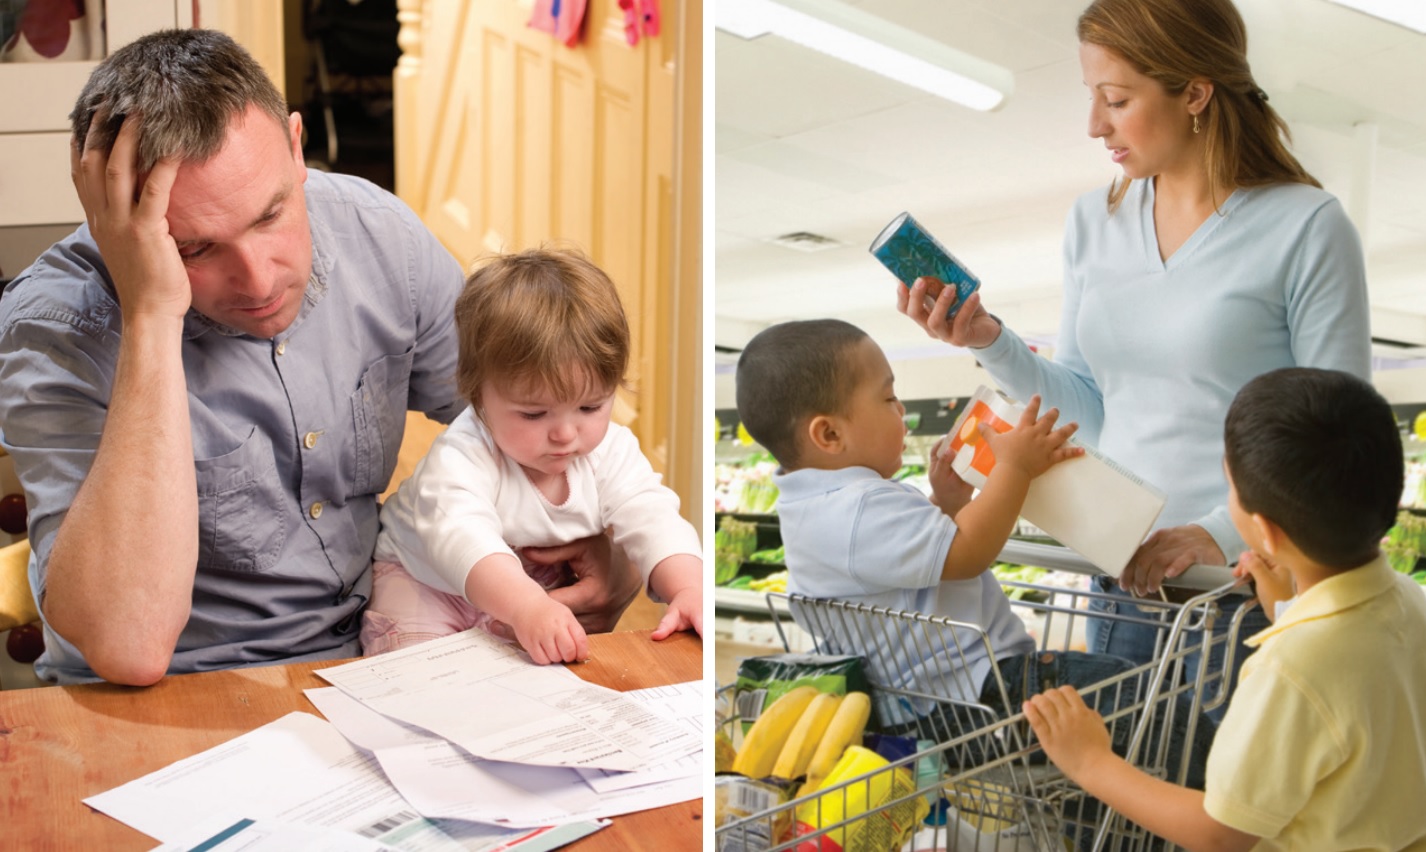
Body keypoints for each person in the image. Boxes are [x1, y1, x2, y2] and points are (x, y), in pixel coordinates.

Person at [0, 29, 638, 687]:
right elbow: (128, 646)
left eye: (271, 213)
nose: (257, 279)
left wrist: (614, 556)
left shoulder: (377, 232)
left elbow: (528, 418)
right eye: (193, 249)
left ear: (298, 146)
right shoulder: (54, 325)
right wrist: (152, 315)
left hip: (373, 656)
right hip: (174, 695)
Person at [896, 0, 1371, 697]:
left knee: (1221, 803)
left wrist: (1216, 534)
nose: (1095, 125)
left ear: (1196, 93)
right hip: (1121, 584)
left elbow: (1339, 431)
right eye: (1093, 98)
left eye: (1116, 100)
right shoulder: (1096, 221)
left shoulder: (1305, 226)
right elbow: (1090, 408)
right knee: (1113, 800)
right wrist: (988, 340)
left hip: (1242, 588)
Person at [735, 319, 1214, 792]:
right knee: (1148, 700)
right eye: (888, 398)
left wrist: (947, 503)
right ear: (830, 435)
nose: (901, 409)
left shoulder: (810, 507)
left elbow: (906, 571)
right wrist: (1014, 467)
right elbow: (965, 554)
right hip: (984, 700)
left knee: (1105, 750)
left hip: (929, 712)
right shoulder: (861, 505)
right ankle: (1219, 810)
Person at [1025, 367, 1426, 851]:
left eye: (1228, 490)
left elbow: (1220, 833)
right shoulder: (1409, 601)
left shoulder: (1287, 669)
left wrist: (1090, 762)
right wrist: (1285, 606)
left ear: (1266, 531)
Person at [363, 248, 702, 663]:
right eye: (534, 413)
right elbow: (461, 538)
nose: (565, 434)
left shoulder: (611, 450)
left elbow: (652, 516)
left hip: (528, 586)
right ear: (479, 396)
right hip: (426, 581)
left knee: (533, 686)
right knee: (417, 675)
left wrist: (688, 587)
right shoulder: (463, 454)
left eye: (590, 407)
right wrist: (525, 605)